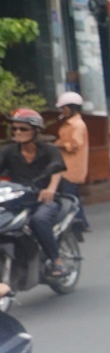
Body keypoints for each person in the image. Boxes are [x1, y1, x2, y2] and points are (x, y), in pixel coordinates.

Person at [3, 109, 74, 283]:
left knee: (39, 220)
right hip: (17, 199)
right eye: (15, 129)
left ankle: (57, 261)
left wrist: (50, 188)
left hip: (45, 199)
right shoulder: (8, 151)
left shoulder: (49, 150)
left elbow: (57, 168)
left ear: (35, 130)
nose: (18, 133)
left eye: (23, 129)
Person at [52, 92, 88, 230]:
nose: (62, 111)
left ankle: (76, 224)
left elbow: (74, 145)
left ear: (71, 107)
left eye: (64, 108)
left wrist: (59, 144)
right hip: (66, 165)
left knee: (69, 197)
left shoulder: (77, 125)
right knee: (73, 197)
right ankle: (82, 223)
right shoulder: (70, 123)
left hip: (71, 167)